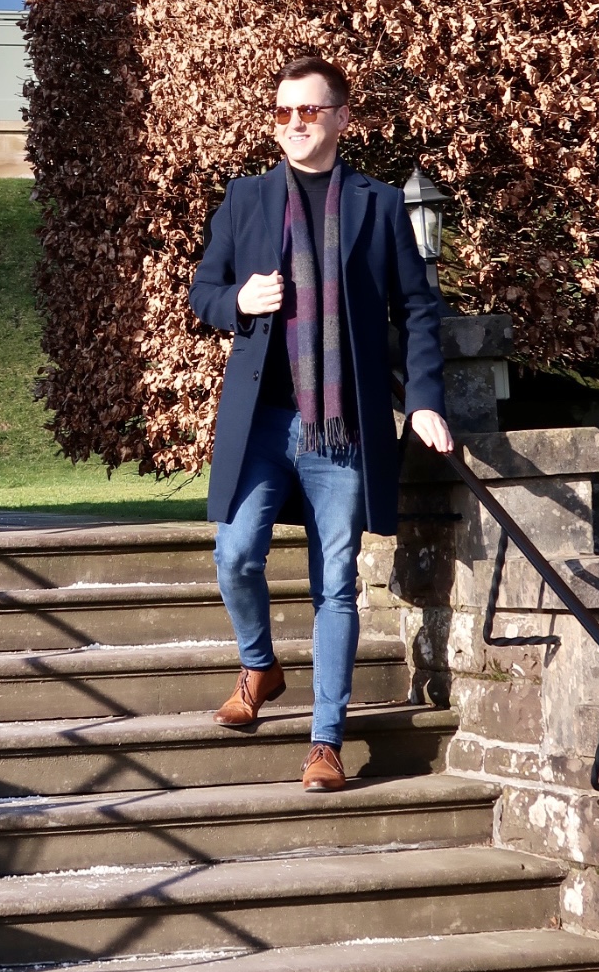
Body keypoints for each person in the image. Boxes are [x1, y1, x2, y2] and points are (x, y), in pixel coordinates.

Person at [190, 52, 453, 792]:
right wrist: (238, 302)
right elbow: (203, 290)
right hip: (263, 423)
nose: (294, 123)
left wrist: (425, 399)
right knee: (235, 555)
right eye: (283, 111)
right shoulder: (246, 198)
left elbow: (419, 310)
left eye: (309, 110)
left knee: (335, 583)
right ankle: (259, 665)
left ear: (342, 117)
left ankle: (326, 742)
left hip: (340, 428)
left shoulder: (380, 205)